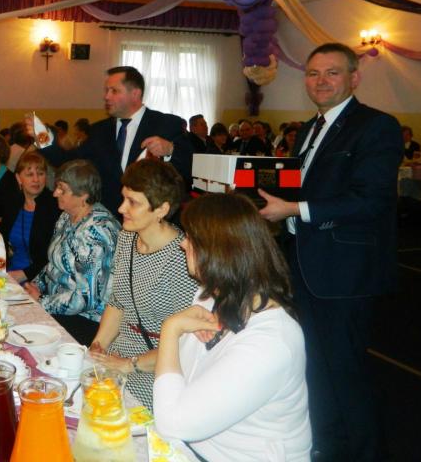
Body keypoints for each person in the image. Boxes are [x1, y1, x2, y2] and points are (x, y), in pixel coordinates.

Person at [258, 42, 403, 462]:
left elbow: (371, 200)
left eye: (332, 73)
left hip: (345, 274)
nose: (320, 81)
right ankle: (328, 445)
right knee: (315, 368)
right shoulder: (309, 128)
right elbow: (299, 187)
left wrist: (294, 210)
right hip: (304, 265)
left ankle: (365, 453)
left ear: (354, 78)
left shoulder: (376, 126)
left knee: (347, 372)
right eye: (313, 73)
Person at [153, 193, 311, 461]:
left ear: (218, 251)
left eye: (190, 237)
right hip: (192, 451)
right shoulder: (210, 295)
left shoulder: (271, 343)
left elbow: (172, 423)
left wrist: (171, 329)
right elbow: (181, 376)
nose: (182, 243)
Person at [87, 159, 197, 410]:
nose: (121, 207)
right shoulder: (127, 238)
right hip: (118, 355)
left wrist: (129, 364)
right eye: (123, 198)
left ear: (161, 209)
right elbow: (118, 303)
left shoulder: (181, 258)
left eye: (133, 202)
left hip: (157, 368)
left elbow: (186, 344)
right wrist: (97, 348)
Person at [30, 66, 193, 215]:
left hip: (152, 220)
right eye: (106, 91)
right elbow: (68, 162)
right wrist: (44, 139)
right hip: (110, 220)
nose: (106, 96)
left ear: (135, 94)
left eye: (114, 91)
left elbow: (189, 167)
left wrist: (170, 150)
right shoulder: (99, 131)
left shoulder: (166, 124)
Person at [24, 160, 120, 346]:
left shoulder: (96, 232)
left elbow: (86, 298)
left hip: (87, 320)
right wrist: (33, 286)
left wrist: (42, 301)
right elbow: (53, 264)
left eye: (62, 189)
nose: (55, 193)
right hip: (57, 306)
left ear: (83, 195)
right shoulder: (67, 216)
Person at [0, 151, 61, 284]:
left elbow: (54, 256)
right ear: (18, 178)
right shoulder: (12, 202)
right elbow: (1, 240)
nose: (36, 179)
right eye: (30, 174)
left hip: (40, 280)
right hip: (10, 273)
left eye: (41, 174)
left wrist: (25, 274)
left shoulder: (55, 207)